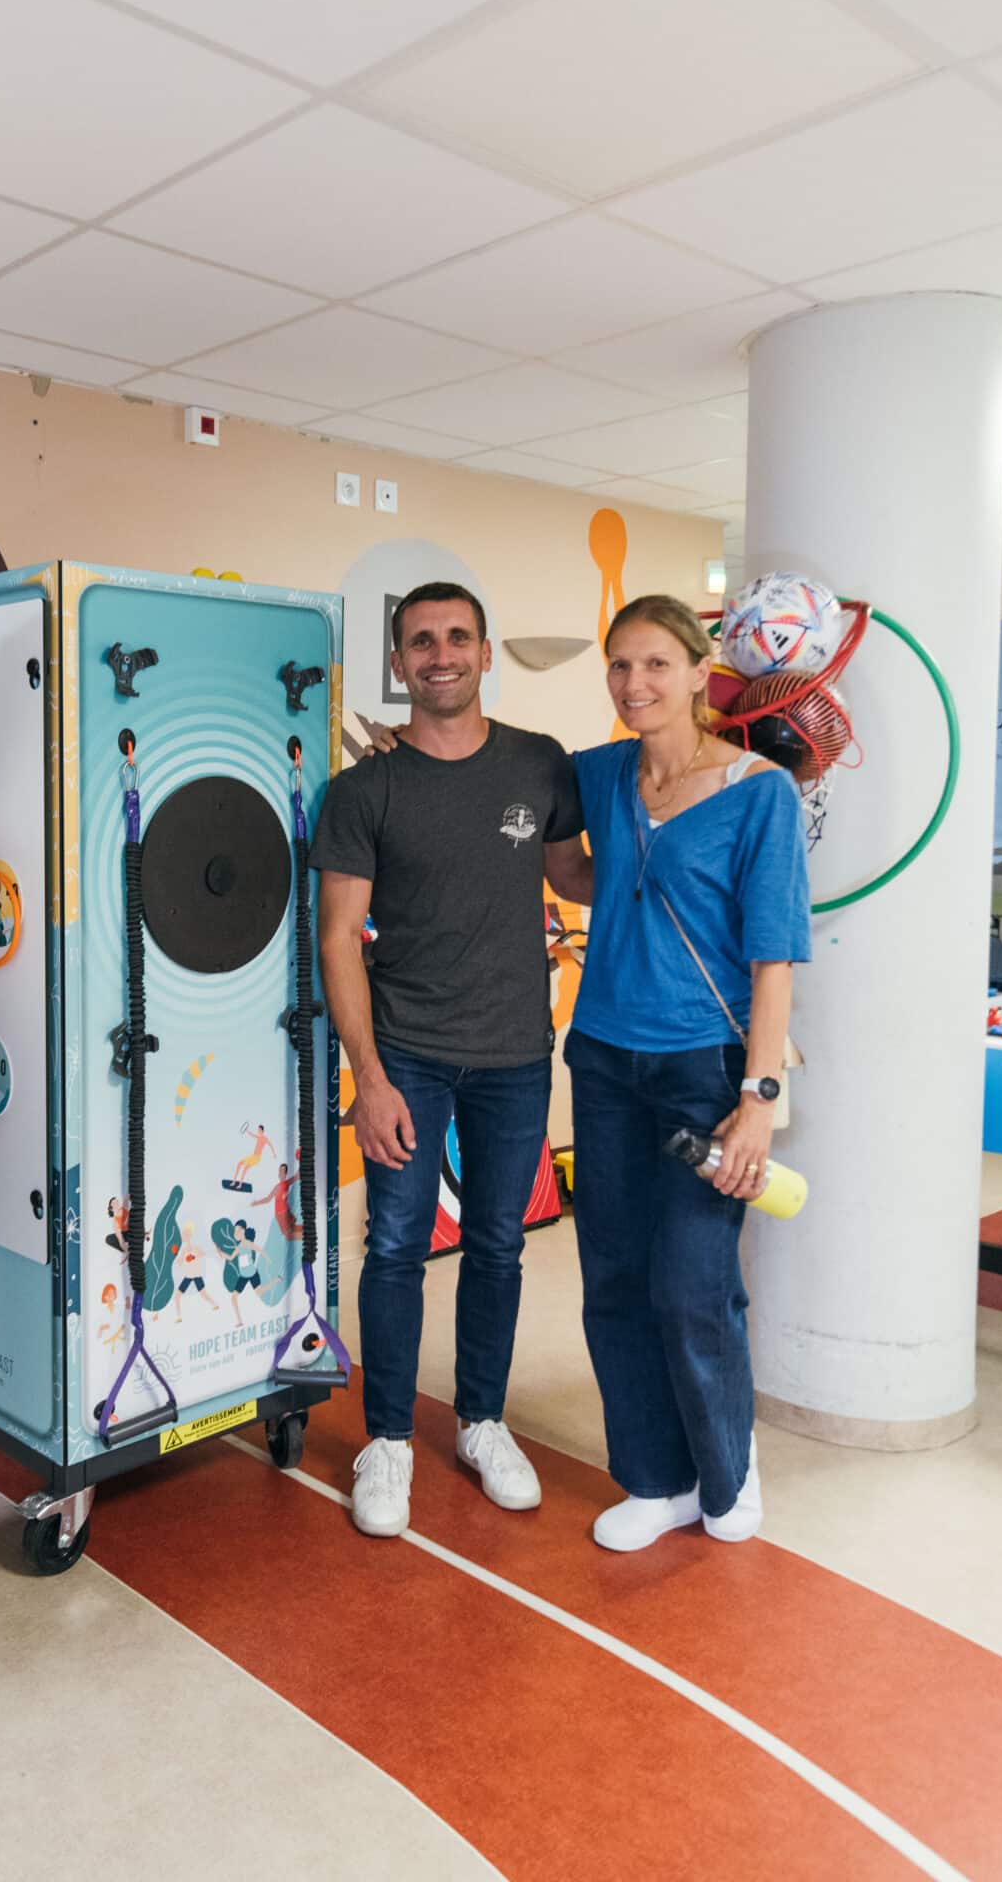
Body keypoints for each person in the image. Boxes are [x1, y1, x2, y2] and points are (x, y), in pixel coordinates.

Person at [315, 580, 586, 1540]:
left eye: (457, 637)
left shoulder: (540, 765)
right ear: (398, 662)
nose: (440, 655)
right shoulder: (363, 790)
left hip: (515, 1053)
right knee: (393, 1249)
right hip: (411, 1059)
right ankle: (385, 1439)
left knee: (499, 1247)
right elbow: (339, 938)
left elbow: (573, 877)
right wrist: (371, 1077)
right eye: (420, 641)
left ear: (484, 649)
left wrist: (676, 836)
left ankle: (480, 1421)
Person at [553, 594, 809, 1554]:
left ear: (702, 672)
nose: (635, 684)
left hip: (706, 1066)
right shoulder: (606, 773)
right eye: (620, 665)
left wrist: (758, 1102)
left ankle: (726, 1471)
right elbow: (575, 870)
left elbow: (773, 956)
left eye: (657, 664)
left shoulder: (758, 792)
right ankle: (653, 1479)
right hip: (605, 1058)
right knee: (613, 1277)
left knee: (692, 1285)